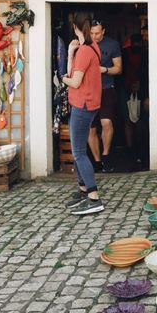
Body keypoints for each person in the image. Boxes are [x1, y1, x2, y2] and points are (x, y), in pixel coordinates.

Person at [62, 12, 104, 215]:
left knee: (78, 152)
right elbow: (75, 73)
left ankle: (93, 197)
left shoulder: (85, 51)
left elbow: (74, 81)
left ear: (75, 27)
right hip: (88, 103)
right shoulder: (90, 48)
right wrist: (70, 53)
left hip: (83, 104)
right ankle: (82, 190)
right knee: (78, 151)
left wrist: (62, 79)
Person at [88, 20, 122, 172]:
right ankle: (97, 161)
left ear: (103, 31)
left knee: (106, 123)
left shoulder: (112, 45)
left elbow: (119, 69)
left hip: (107, 88)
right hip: (89, 91)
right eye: (91, 33)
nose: (94, 36)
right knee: (91, 128)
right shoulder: (85, 45)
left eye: (97, 33)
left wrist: (105, 70)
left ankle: (106, 156)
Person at [121, 33, 149, 168]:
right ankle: (133, 148)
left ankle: (135, 148)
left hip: (138, 89)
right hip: (129, 88)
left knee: (136, 120)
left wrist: (138, 85)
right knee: (132, 119)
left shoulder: (143, 54)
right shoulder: (130, 53)